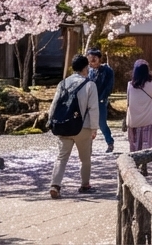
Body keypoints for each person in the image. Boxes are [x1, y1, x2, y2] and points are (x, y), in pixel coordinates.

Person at [48, 54, 99, 199]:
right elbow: (94, 108)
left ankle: (55, 185)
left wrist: (51, 120)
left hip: (63, 126)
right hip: (83, 128)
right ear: (85, 68)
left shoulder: (63, 83)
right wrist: (94, 128)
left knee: (61, 157)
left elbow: (54, 104)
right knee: (85, 158)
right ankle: (85, 185)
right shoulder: (90, 85)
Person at [125, 60, 152, 153]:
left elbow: (128, 101)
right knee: (149, 149)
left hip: (134, 121)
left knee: (135, 148)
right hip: (148, 120)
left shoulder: (130, 85)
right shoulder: (151, 84)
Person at [86, 48, 116, 153]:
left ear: (99, 58)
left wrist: (102, 98)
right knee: (88, 124)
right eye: (90, 58)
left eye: (94, 58)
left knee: (101, 123)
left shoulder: (107, 70)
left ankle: (110, 142)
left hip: (100, 101)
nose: (92, 60)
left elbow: (109, 86)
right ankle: (88, 146)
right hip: (88, 101)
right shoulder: (88, 71)